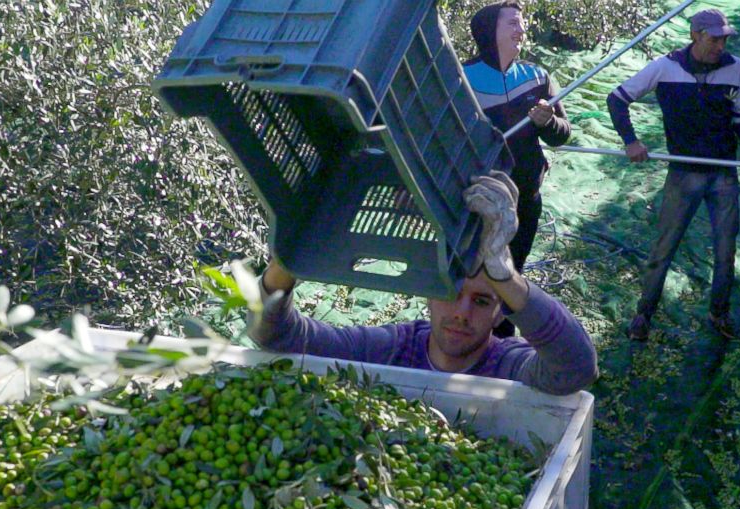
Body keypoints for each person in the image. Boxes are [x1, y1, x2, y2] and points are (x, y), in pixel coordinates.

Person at [248, 172, 597, 396]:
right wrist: (290, 256)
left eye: (481, 302)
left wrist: (504, 272)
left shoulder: (507, 367)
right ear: (430, 295)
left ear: (498, 315)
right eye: (452, 294)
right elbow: (280, 337)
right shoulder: (395, 350)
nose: (461, 314)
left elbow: (576, 369)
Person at [606, 8, 740, 341]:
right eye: (714, 38)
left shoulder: (738, 70)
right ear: (695, 35)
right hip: (683, 173)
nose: (720, 45)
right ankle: (643, 315)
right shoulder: (665, 68)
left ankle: (719, 313)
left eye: (724, 38)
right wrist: (631, 141)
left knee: (724, 249)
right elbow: (616, 99)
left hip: (723, 173)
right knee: (664, 247)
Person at [463, 2, 572, 337]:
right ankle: (469, 334)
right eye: (512, 23)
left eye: (522, 23)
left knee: (513, 270)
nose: (521, 30)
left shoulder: (537, 77)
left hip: (527, 197)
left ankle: (503, 339)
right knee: (474, 274)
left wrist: (548, 121)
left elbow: (562, 134)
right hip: (481, 201)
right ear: (488, 32)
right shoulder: (462, 79)